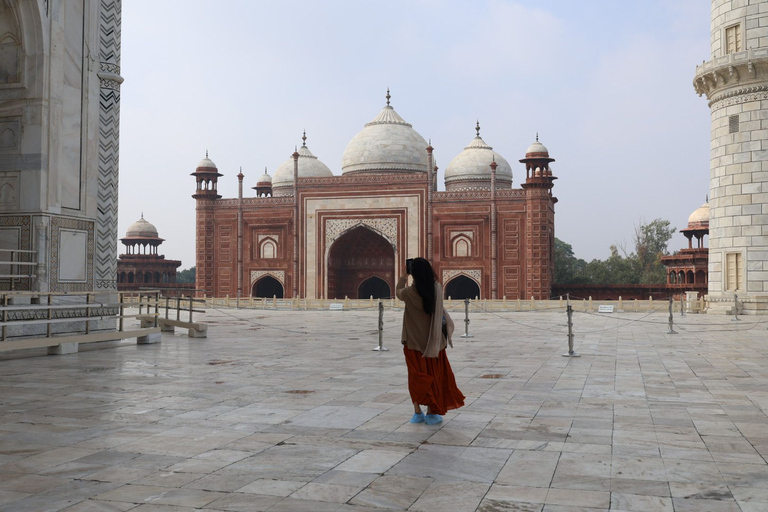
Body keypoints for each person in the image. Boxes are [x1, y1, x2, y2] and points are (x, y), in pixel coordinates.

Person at [396, 258, 465, 425]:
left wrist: (403, 278)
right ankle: (432, 412)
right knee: (435, 376)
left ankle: (417, 412)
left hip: (413, 344)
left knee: (416, 378)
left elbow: (398, 292)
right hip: (434, 344)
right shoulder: (437, 289)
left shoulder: (408, 293)